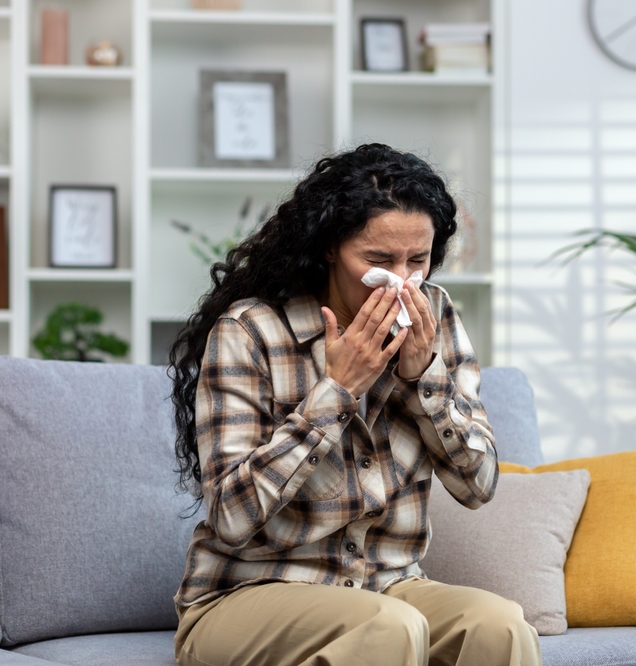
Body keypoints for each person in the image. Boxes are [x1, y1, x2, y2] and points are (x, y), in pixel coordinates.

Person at [168, 144, 541, 666]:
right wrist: (336, 393)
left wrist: (421, 378)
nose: (402, 281)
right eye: (378, 261)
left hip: (385, 586)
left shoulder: (434, 314)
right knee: (390, 627)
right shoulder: (250, 330)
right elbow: (232, 517)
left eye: (418, 260)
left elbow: (479, 485)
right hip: (247, 592)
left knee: (500, 627)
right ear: (328, 248)